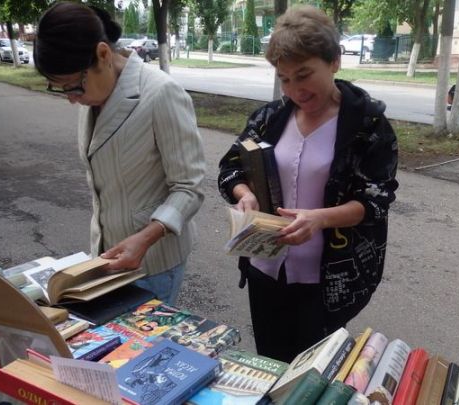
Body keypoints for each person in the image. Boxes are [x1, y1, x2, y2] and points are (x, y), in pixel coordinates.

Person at [217, 5, 398, 363]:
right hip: (265, 267)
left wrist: (320, 219)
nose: (295, 89)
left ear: (333, 62)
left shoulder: (367, 124)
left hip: (327, 278)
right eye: (284, 78)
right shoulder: (270, 118)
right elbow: (230, 167)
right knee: (270, 362)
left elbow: (377, 199)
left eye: (303, 74)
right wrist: (245, 195)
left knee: (313, 373)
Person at [33, 2, 205, 306]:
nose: (72, 100)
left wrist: (146, 237)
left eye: (73, 87)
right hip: (105, 258)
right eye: (62, 89)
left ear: (103, 54)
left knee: (145, 350)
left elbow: (189, 188)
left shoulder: (161, 93)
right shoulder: (93, 97)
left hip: (153, 261)